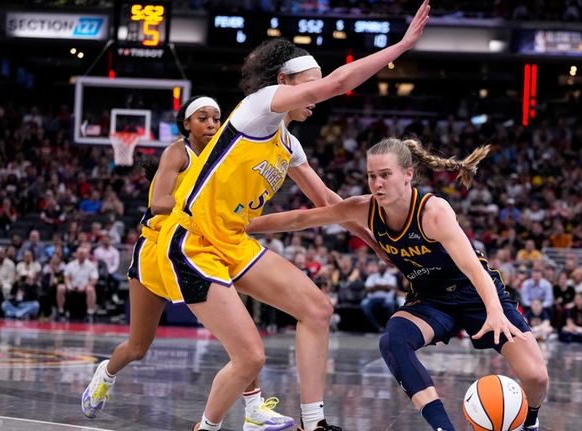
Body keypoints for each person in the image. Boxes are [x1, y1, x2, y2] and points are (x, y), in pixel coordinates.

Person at [156, 6, 430, 431]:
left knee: (317, 309)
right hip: (192, 241)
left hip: (232, 241)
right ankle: (206, 428)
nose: (318, 92)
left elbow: (330, 203)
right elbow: (339, 83)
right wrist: (401, 46)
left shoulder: (288, 144)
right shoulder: (258, 106)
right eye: (311, 83)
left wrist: (380, 246)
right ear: (283, 83)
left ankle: (313, 423)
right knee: (250, 357)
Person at [245, 137, 548, 431]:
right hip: (430, 299)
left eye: (385, 175)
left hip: (477, 294)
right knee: (393, 340)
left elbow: (474, 269)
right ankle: (443, 427)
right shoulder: (365, 208)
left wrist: (494, 310)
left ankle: (530, 421)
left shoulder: (435, 212)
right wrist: (244, 226)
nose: (377, 184)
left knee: (536, 377)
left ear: (408, 175)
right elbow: (301, 219)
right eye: (372, 176)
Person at [80, 96, 293, 430]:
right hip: (156, 249)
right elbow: (159, 201)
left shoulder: (224, 152)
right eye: (203, 118)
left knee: (236, 334)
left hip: (196, 250)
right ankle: (106, 374)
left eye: (216, 119)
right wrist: (198, 203)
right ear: (186, 124)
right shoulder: (177, 152)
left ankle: (254, 407)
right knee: (138, 346)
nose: (211, 124)